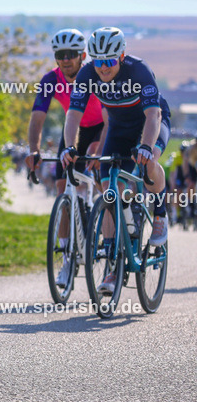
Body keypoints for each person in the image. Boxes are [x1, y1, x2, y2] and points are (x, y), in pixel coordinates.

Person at [61, 27, 169, 295]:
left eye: (109, 61)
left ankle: (161, 213)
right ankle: (113, 264)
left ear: (121, 56)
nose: (103, 68)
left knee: (149, 162)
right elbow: (73, 115)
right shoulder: (87, 74)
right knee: (111, 190)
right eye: (98, 62)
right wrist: (69, 147)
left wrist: (146, 146)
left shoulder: (138, 70)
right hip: (120, 129)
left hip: (150, 123)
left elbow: (153, 116)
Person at [25, 29, 107, 287]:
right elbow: (37, 116)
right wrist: (33, 150)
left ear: (83, 55)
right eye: (61, 55)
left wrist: (98, 151)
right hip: (74, 130)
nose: (66, 59)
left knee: (97, 179)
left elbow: (109, 119)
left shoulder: (96, 75)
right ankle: (68, 256)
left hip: (102, 127)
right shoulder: (51, 79)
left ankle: (103, 221)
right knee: (62, 188)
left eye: (72, 54)